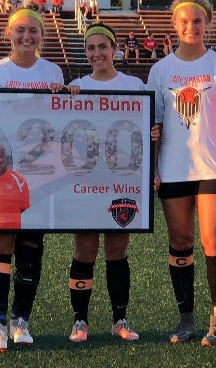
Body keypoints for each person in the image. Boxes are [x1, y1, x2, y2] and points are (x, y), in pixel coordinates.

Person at [147, 0, 216, 347]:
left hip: (213, 168)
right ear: (174, 25)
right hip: (173, 169)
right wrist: (151, 170)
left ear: (207, 24)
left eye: (197, 21)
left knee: (213, 242)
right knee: (180, 243)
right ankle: (186, 319)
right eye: (184, 21)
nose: (191, 27)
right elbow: (152, 126)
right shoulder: (160, 71)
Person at [0, 4, 66, 353]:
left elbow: (60, 122)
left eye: (33, 31)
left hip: (39, 177)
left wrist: (69, 97)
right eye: (20, 30)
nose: (26, 37)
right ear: (8, 34)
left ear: (42, 36)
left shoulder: (54, 72)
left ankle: (20, 320)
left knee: (31, 248)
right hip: (1, 177)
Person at [65, 21, 150, 343]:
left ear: (114, 49)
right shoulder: (76, 85)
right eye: (91, 48)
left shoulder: (134, 85)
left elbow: (147, 133)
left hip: (122, 182)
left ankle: (119, 318)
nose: (97, 53)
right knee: (84, 251)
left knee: (117, 252)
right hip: (86, 181)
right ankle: (80, 321)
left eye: (103, 47)